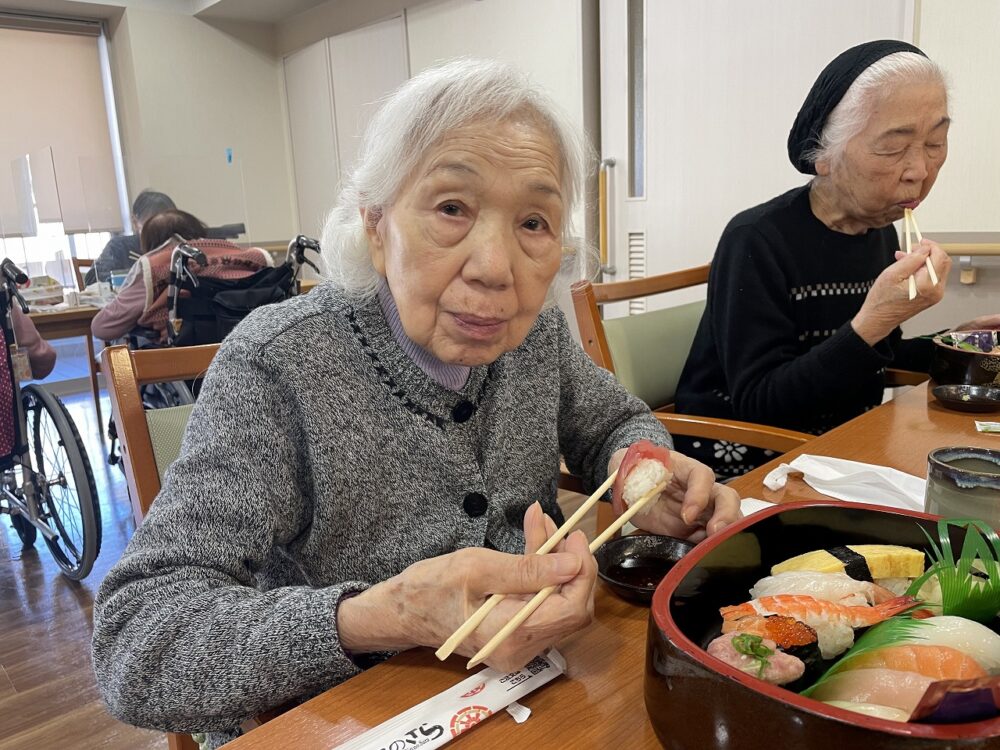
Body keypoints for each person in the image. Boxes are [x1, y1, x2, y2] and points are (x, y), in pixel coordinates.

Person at [91, 59, 741, 748]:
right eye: (452, 208)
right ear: (376, 225)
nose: (495, 267)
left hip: (546, 691)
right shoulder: (278, 363)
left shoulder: (537, 333)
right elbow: (135, 641)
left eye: (533, 221)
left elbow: (613, 422)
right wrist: (380, 614)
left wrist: (646, 468)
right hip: (348, 715)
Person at [674, 40, 998, 479]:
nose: (919, 170)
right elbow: (761, 404)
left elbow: (871, 355)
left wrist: (954, 342)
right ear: (823, 156)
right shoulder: (756, 240)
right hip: (747, 463)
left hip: (839, 448)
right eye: (893, 148)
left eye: (936, 142)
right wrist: (874, 321)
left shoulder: (880, 231)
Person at [90, 209, 272, 343]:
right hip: (249, 347)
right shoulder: (252, 257)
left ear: (150, 244)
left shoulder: (155, 266)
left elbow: (103, 328)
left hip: (186, 361)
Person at [84, 190, 175, 286]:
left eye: (168, 223)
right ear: (135, 222)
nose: (162, 230)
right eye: (153, 224)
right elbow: (93, 279)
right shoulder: (119, 247)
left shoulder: (178, 247)